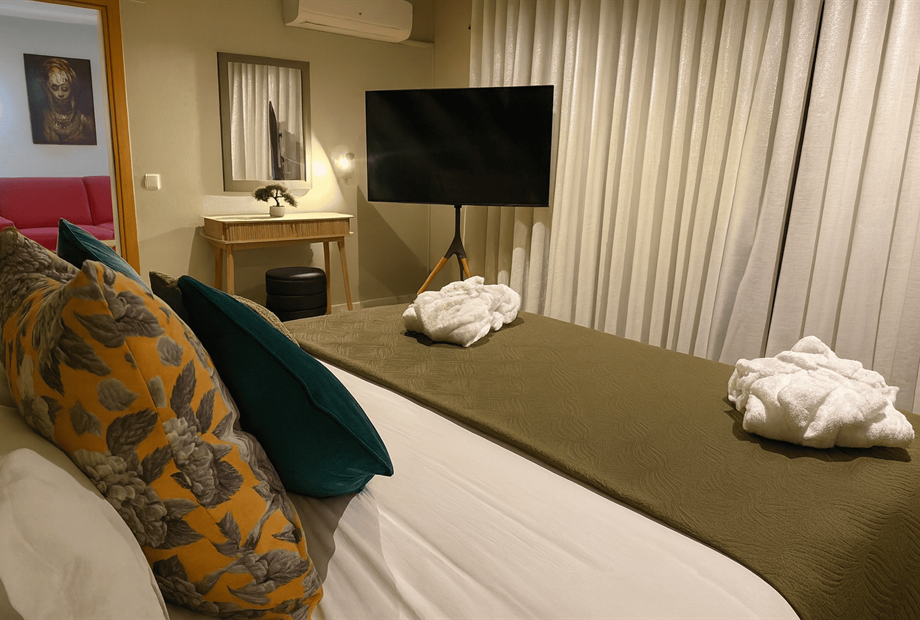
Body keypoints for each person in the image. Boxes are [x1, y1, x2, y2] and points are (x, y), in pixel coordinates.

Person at [39, 57, 95, 145]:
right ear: (48, 87)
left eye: (64, 88)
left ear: (71, 87)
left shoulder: (84, 120)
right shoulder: (44, 118)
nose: (60, 94)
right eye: (55, 88)